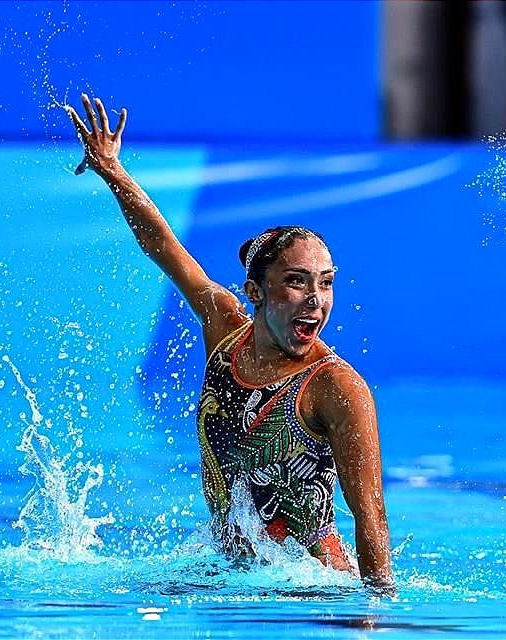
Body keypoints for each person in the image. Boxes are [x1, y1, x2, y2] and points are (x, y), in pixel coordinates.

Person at [65, 94, 394, 594]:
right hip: (232, 573)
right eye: (298, 282)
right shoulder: (224, 329)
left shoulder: (335, 387)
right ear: (256, 292)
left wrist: (377, 615)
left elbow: (371, 518)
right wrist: (114, 171)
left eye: (326, 282)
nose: (317, 300)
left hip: (310, 589)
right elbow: (164, 246)